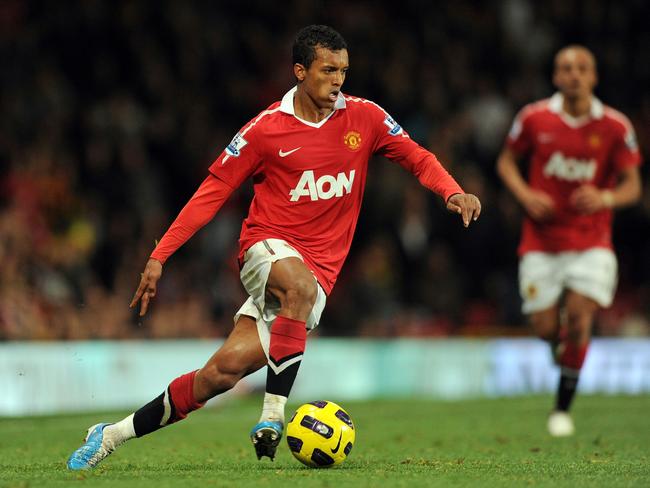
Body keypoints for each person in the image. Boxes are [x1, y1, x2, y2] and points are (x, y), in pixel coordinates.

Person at [67, 25, 481, 469]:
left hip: (320, 272)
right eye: (327, 70)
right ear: (300, 71)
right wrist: (159, 255)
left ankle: (110, 434)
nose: (338, 80)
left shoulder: (366, 118)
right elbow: (212, 192)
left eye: (343, 70)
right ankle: (271, 417)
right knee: (297, 288)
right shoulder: (265, 130)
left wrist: (451, 191)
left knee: (217, 376)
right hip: (265, 248)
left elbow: (417, 156)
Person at [497, 45, 642, 437]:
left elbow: (633, 186)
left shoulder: (615, 126)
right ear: (556, 77)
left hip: (590, 242)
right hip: (541, 243)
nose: (573, 74)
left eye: (582, 68)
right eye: (565, 68)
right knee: (546, 328)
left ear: (594, 77)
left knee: (579, 317)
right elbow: (506, 162)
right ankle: (557, 345)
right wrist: (526, 195)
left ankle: (561, 409)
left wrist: (606, 197)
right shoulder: (534, 118)